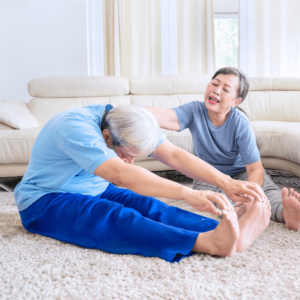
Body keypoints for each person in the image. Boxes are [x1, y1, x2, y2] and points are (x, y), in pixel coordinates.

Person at [15, 103, 266, 263]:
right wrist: (186, 193)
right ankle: (207, 242)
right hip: (44, 201)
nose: (130, 162)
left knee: (151, 207)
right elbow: (121, 175)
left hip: (94, 188)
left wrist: (226, 182)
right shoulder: (75, 128)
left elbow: (175, 155)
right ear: (106, 138)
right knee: (114, 215)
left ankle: (225, 232)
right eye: (127, 155)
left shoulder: (126, 121)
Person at [146, 66, 300, 233]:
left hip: (241, 173)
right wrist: (120, 109)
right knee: (212, 196)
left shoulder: (240, 122)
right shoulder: (194, 110)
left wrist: (249, 193)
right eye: (214, 84)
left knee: (266, 191)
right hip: (207, 175)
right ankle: (238, 212)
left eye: (226, 89)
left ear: (236, 102)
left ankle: (287, 214)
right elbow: (163, 116)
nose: (216, 91)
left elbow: (255, 169)